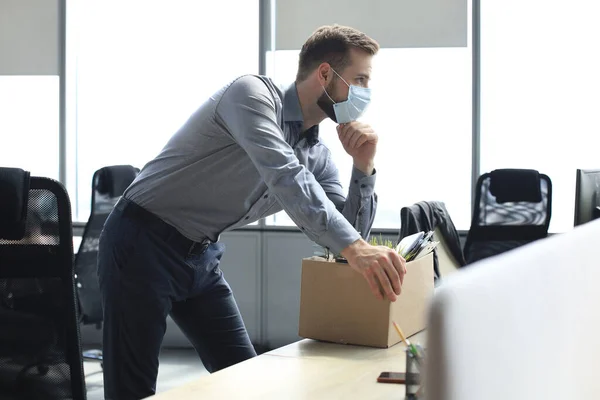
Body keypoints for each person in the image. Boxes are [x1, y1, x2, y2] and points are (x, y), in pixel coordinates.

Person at [97, 24, 407, 399]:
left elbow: (344, 237)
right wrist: (356, 248)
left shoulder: (318, 157)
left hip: (200, 255)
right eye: (359, 79)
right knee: (133, 388)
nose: (365, 93)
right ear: (325, 73)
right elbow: (285, 176)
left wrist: (363, 165)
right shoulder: (251, 95)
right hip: (141, 241)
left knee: (244, 377)